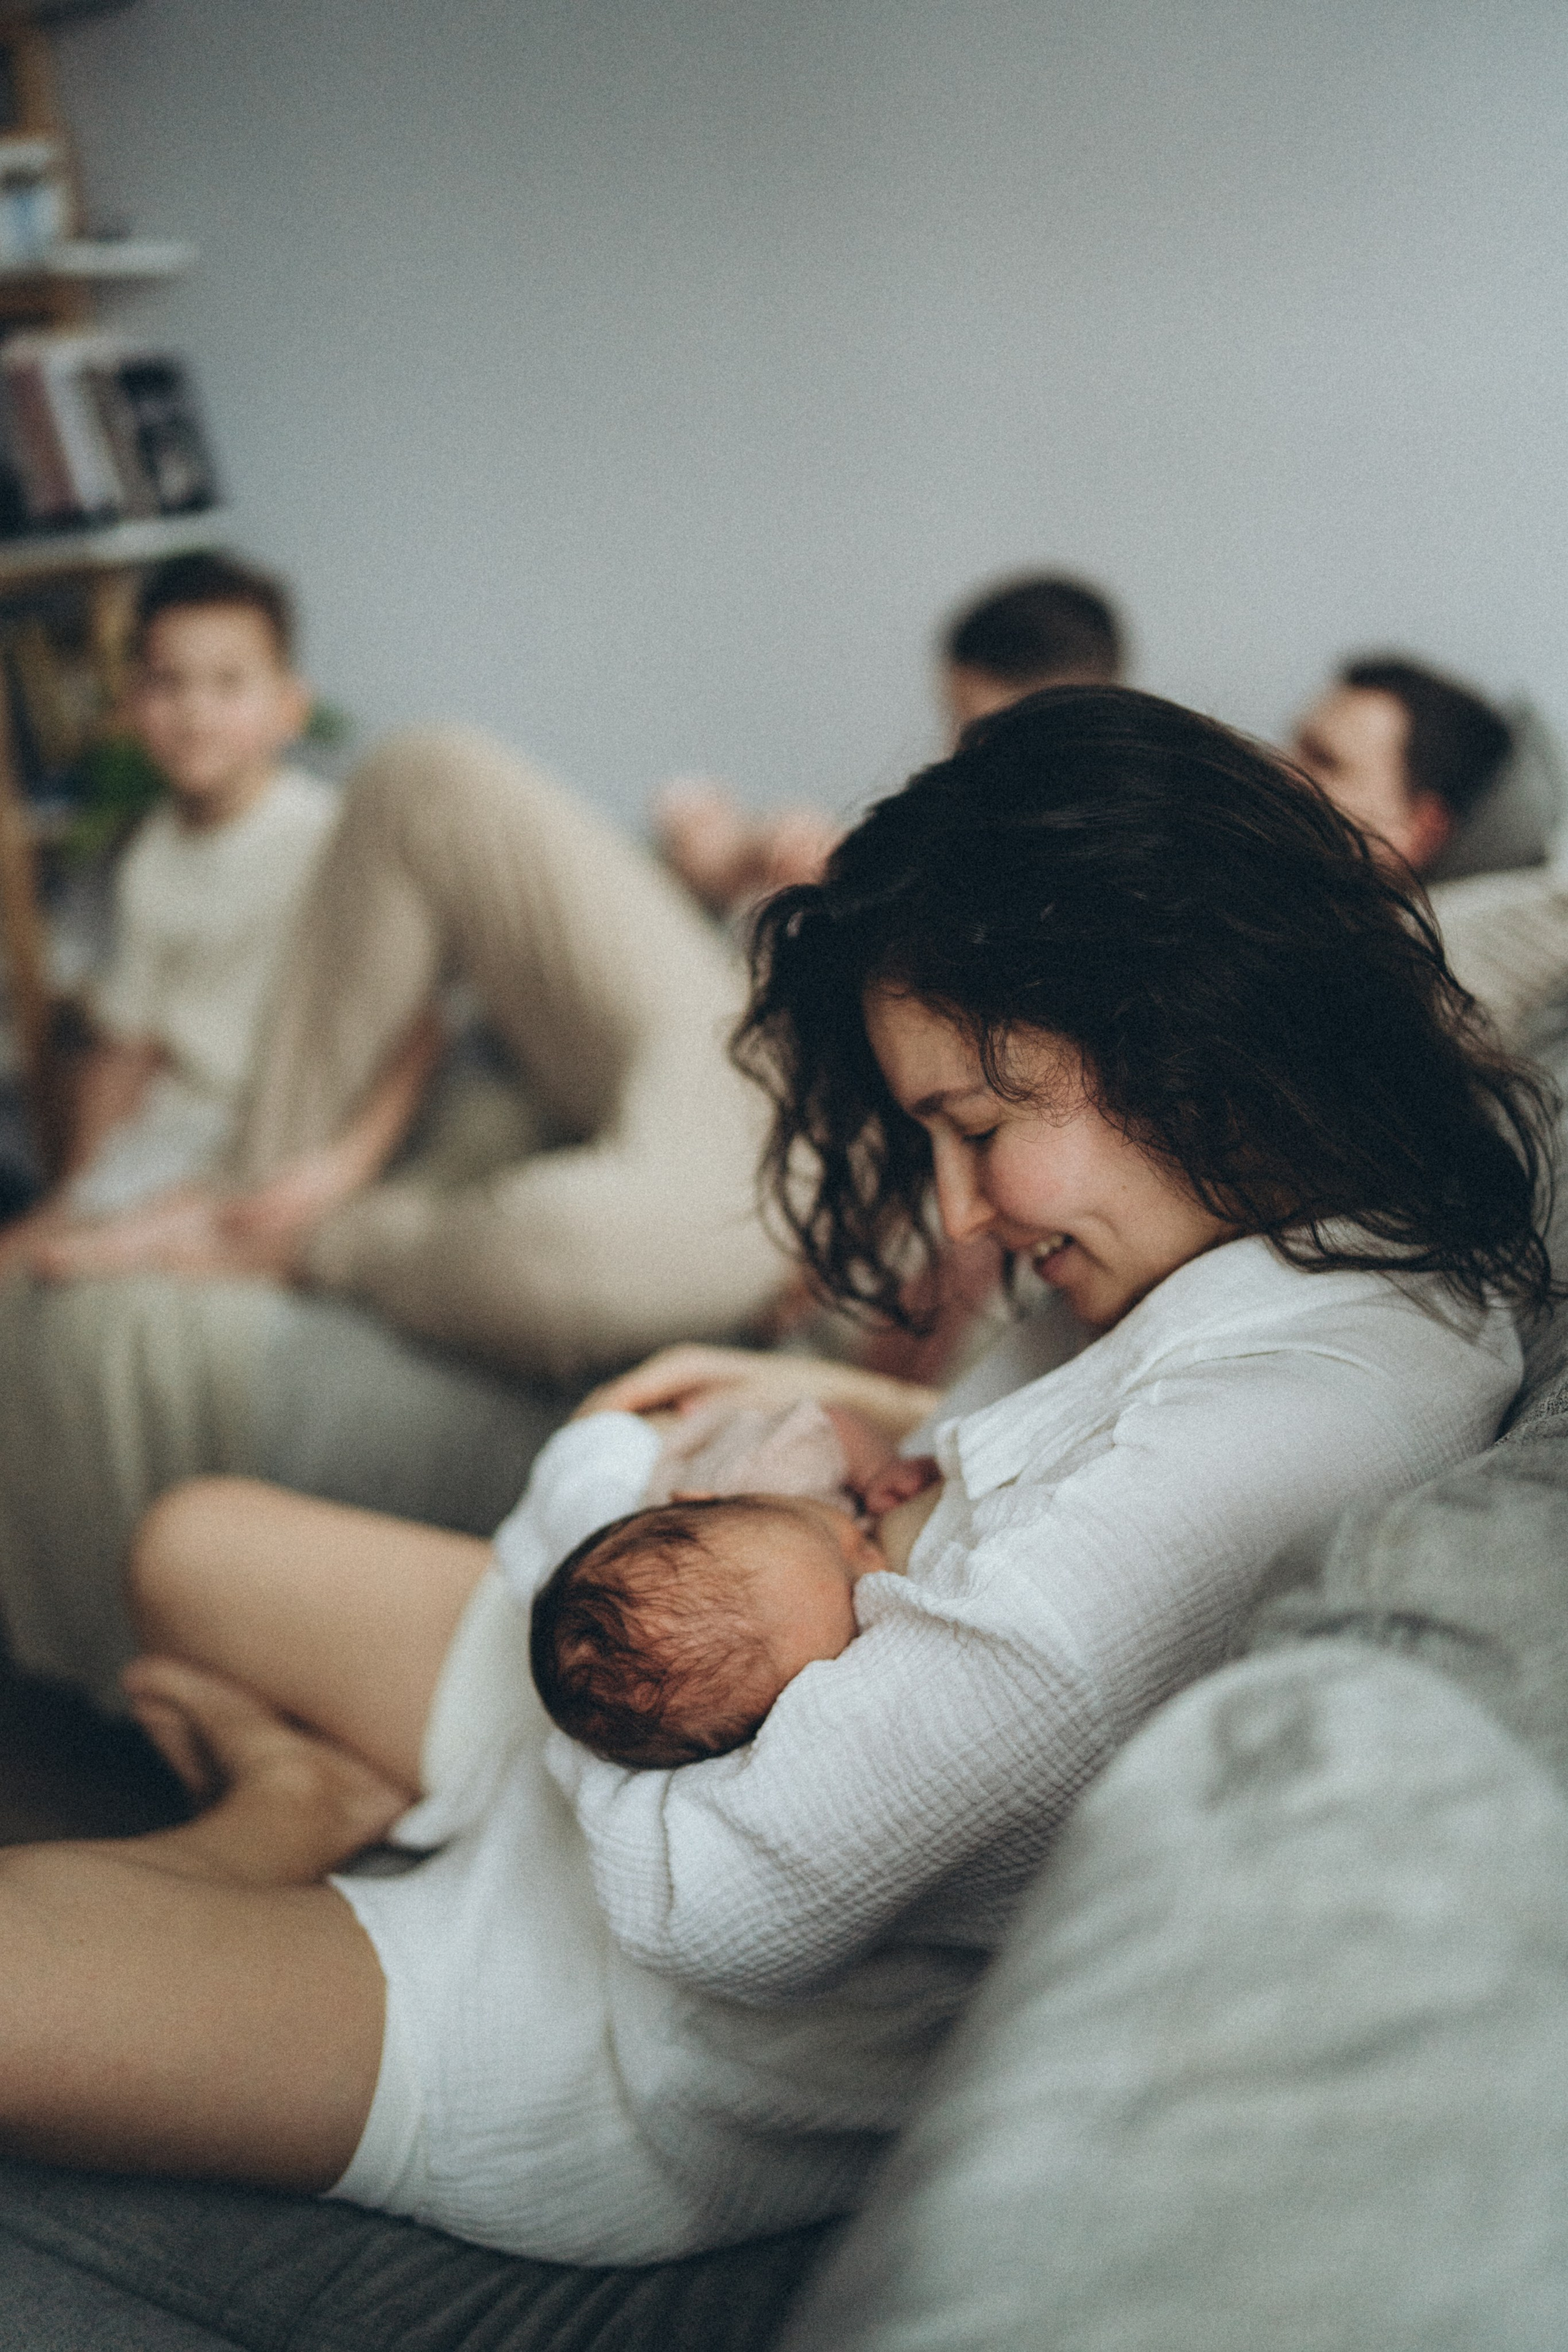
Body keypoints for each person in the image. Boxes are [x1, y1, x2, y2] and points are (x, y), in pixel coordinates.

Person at [0, 686, 1541, 2268]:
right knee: (187, 1547)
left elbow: (726, 1904)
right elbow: (992, 1481)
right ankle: (313, 1800)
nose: (961, 1214)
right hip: (643, 1763)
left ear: (1176, 1023)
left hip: (621, 2020)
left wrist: (613, 1602)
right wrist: (841, 1412)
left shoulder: (1303, 1412)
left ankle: (273, 1822)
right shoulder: (1227, 1229)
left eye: (977, 1124)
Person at [0, 720, 790, 1707]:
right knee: (425, 776)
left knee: (570, 1251)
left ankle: (290, 1241)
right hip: (766, 1003)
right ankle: (245, 1195)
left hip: (816, 1150)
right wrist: (746, 866)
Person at [1, 552, 334, 1250]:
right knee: (33, 1247)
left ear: (289, 708)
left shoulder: (322, 833)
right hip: (180, 1122)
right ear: (130, 704)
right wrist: (76, 1190)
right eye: (166, 683)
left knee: (87, 1250)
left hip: (276, 1115)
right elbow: (130, 1045)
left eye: (228, 683)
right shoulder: (149, 860)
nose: (194, 712)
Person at [655, 571, 1125, 916]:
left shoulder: (1110, 856)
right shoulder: (970, 821)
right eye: (955, 722)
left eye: (986, 734)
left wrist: (838, 877)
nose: (958, 751)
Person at [529, 1401, 942, 1767]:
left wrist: (877, 1471)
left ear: (703, 1498)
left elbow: (831, 1423)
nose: (876, 1565)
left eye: (839, 1538)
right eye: (854, 1595)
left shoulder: (773, 1467)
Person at [1292, 653, 1568, 1049]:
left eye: (1324, 762)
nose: (1280, 768)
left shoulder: (1401, 998)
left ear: (1419, 829)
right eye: (1294, 746)